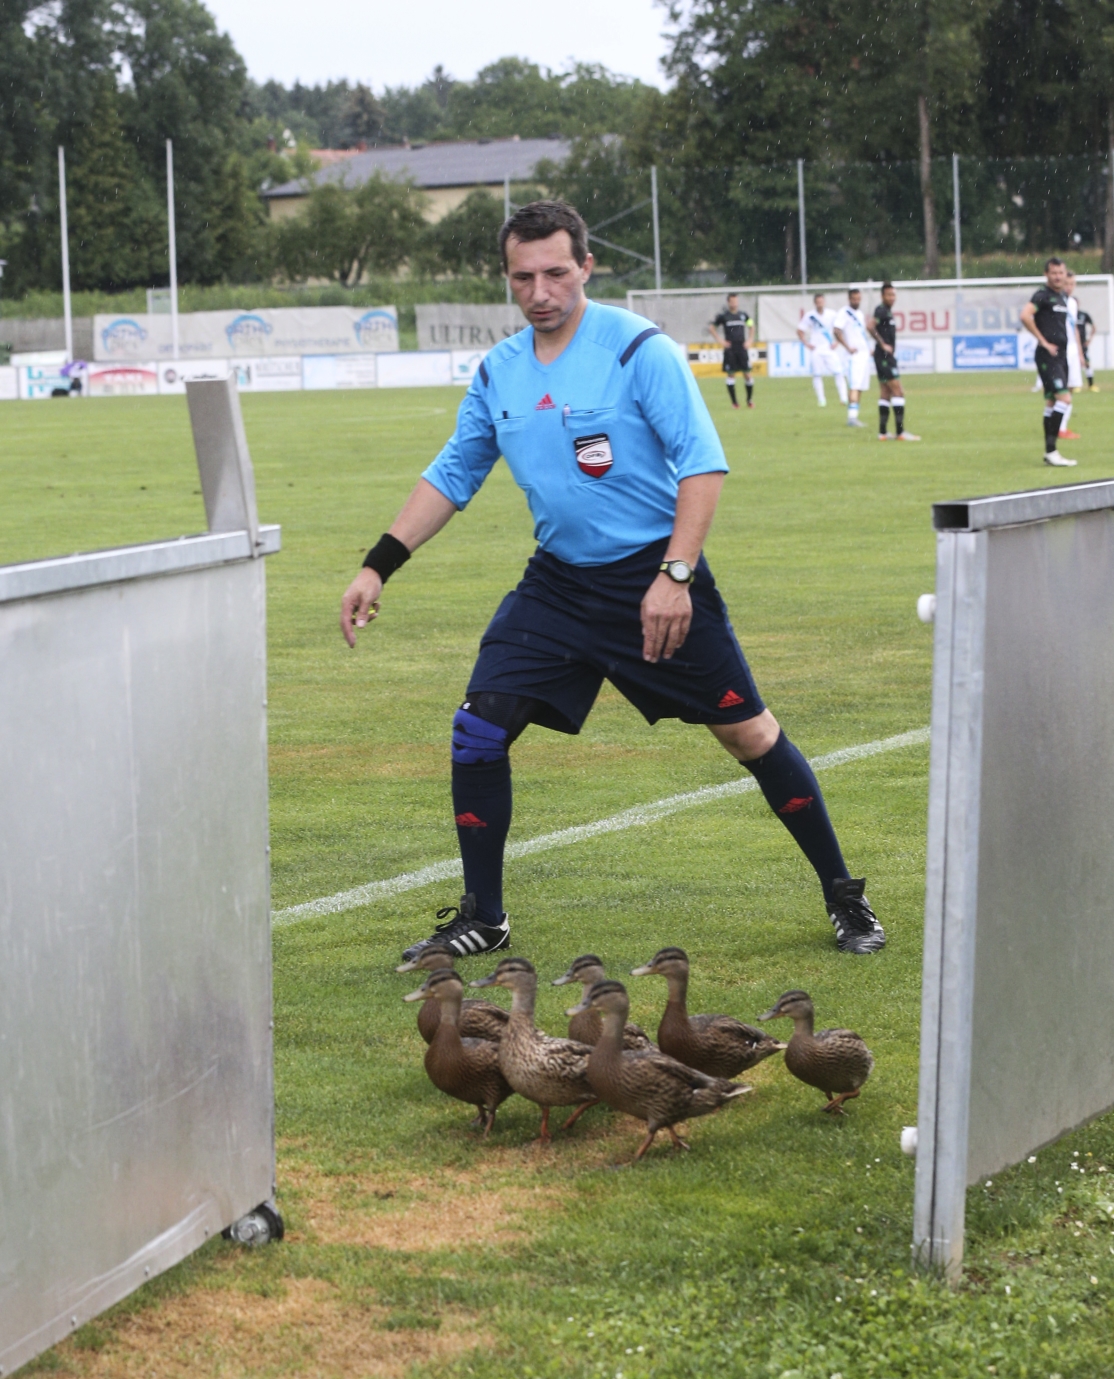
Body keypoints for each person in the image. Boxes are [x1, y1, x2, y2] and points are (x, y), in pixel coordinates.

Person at [339, 200, 886, 961]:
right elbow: (454, 473)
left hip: (652, 578)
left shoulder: (638, 350)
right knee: (479, 729)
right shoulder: (499, 369)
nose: (541, 291)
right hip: (557, 588)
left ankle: (843, 896)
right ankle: (485, 915)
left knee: (749, 734)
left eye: (556, 272)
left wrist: (675, 575)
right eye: (523, 277)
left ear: (586, 267)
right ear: (508, 279)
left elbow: (702, 465)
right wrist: (378, 564)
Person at [1020, 258, 1077, 466]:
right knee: (1065, 399)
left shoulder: (1061, 296)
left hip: (1061, 355)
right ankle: (1052, 451)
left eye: (1061, 272)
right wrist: (1043, 341)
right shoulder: (1042, 296)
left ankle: (1050, 452)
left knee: (1052, 402)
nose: (1058, 276)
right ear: (1046, 274)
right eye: (1054, 273)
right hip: (1048, 356)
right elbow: (1025, 316)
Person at [867, 283, 919, 441]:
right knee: (898, 391)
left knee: (885, 392)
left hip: (882, 356)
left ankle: (882, 433)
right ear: (882, 296)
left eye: (893, 295)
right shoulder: (881, 310)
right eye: (889, 295)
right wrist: (882, 344)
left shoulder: (887, 311)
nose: (892, 298)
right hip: (884, 357)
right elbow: (870, 326)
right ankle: (900, 433)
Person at [797, 292, 849, 408]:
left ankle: (844, 398)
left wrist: (837, 342)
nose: (820, 304)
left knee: (839, 373)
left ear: (824, 302)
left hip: (829, 349)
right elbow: (800, 330)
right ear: (815, 303)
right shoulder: (810, 316)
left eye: (821, 301)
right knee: (817, 375)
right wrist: (806, 343)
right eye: (818, 302)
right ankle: (821, 400)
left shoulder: (832, 314)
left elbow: (840, 329)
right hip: (816, 350)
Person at [833, 287, 872, 427]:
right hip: (853, 356)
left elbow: (860, 335)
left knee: (860, 386)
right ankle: (851, 418)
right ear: (849, 299)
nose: (856, 301)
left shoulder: (859, 314)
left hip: (864, 355)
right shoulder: (844, 313)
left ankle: (854, 416)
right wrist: (848, 347)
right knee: (854, 385)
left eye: (858, 299)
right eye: (854, 299)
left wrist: (868, 349)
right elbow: (836, 331)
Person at [708, 293, 754, 409]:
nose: (734, 303)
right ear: (728, 302)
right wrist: (720, 341)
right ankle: (734, 403)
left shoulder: (743, 315)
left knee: (747, 374)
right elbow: (712, 328)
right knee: (731, 374)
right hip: (730, 349)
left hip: (741, 348)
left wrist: (750, 340)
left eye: (736, 301)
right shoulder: (724, 316)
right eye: (732, 301)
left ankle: (749, 400)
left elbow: (752, 326)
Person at [1059, 270, 1085, 437]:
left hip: (1073, 351)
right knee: (1061, 389)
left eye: (1072, 284)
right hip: (1061, 350)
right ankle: (1060, 427)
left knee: (1071, 387)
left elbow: (1074, 328)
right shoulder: (1055, 301)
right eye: (1067, 283)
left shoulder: (1073, 303)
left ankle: (1062, 425)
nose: (1069, 287)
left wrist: (1080, 353)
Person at [1077, 302, 1097, 390]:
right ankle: (1076, 385)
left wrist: (1090, 339)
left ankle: (1091, 384)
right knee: (1075, 364)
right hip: (1072, 344)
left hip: (1082, 343)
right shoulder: (1068, 314)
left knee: (1087, 363)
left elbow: (1094, 326)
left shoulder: (1083, 315)